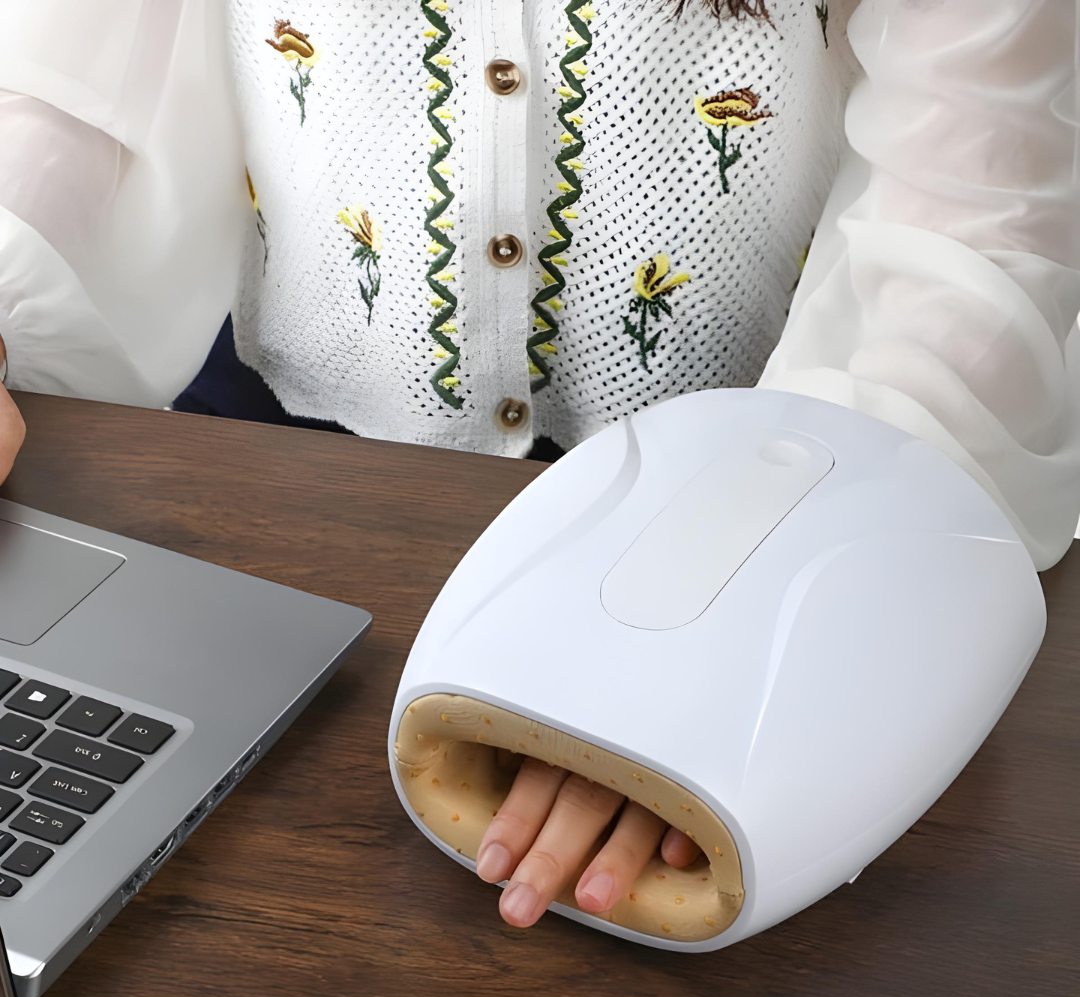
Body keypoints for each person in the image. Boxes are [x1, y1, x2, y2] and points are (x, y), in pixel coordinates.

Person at [0, 0, 1077, 932]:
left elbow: (985, 203)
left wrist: (744, 609)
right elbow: (69, 74)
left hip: (721, 504)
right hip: (278, 474)